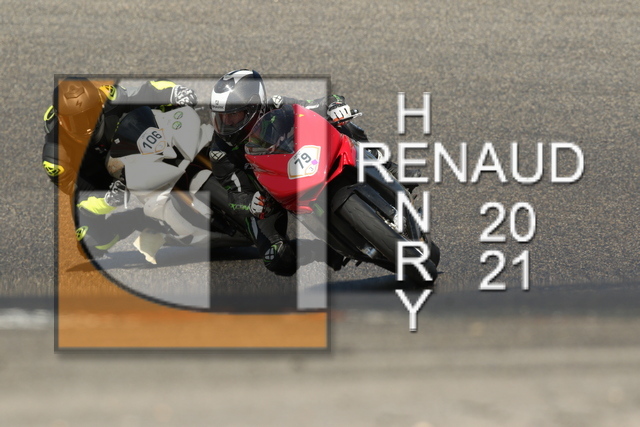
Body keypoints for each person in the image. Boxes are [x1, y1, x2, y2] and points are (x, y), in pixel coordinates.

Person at [207, 69, 378, 276]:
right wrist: (251, 203)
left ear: (253, 107)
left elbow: (320, 103)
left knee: (339, 121)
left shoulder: (277, 106)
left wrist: (335, 105)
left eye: (233, 115)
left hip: (303, 162)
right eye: (222, 116)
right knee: (276, 259)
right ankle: (321, 250)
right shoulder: (220, 152)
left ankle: (382, 164)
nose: (227, 123)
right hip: (268, 197)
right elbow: (235, 195)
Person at [42, 77, 197, 259]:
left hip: (129, 141)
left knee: (173, 108)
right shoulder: (55, 157)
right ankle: (141, 218)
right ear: (61, 120)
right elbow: (79, 195)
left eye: (91, 115)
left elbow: (145, 91)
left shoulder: (107, 95)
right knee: (90, 242)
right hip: (96, 176)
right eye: (76, 121)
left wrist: (175, 92)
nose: (87, 126)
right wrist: (107, 200)